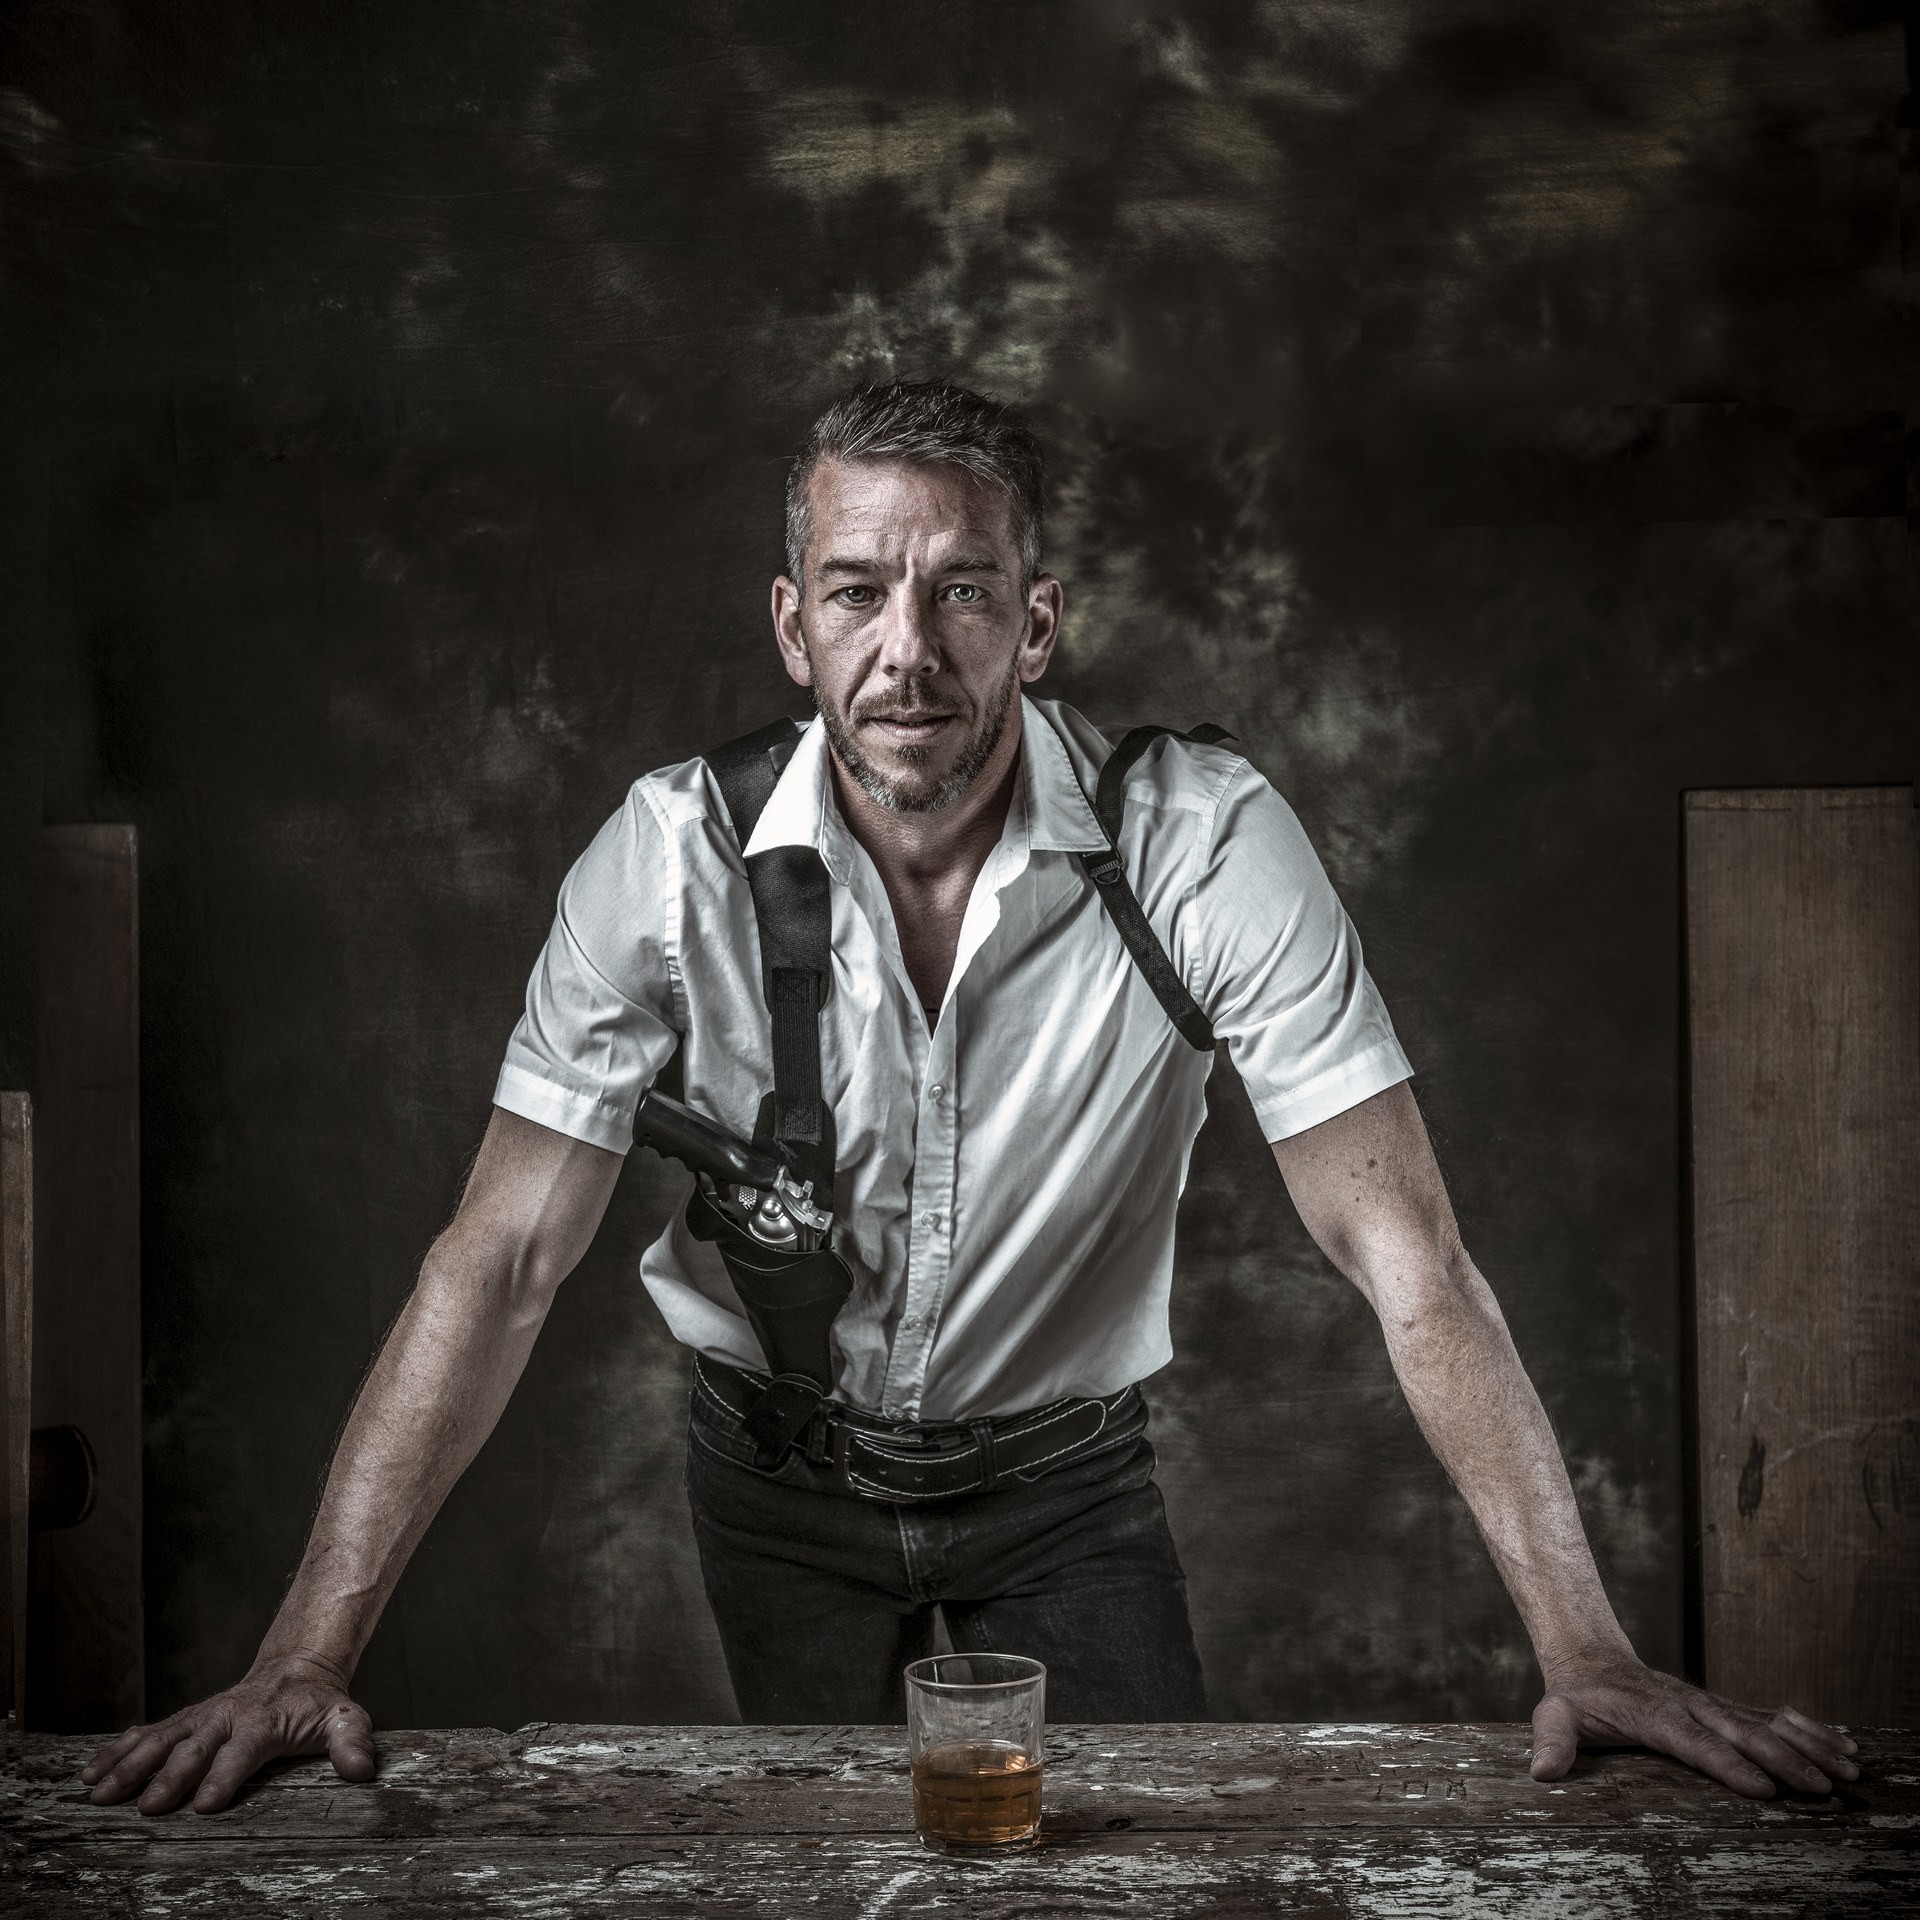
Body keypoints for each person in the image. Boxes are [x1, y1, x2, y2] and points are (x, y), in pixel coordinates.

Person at [84, 381, 1856, 1816]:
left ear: (1039, 621)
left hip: (1068, 1489)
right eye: (858, 590)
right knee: (834, 1881)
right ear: (794, 626)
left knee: (1129, 1887)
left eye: (963, 591)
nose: (908, 650)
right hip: (771, 1486)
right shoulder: (667, 860)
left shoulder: (1201, 846)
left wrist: (1587, 1651)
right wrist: (305, 1657)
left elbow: (1411, 1261)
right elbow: (497, 1263)